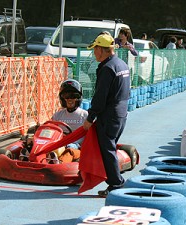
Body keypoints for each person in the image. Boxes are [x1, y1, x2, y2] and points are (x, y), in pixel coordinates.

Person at [84, 33, 130, 197]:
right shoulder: (121, 64)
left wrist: (90, 117)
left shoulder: (107, 68)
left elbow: (100, 96)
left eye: (95, 50)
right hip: (121, 112)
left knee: (107, 150)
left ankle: (116, 183)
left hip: (109, 115)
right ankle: (115, 179)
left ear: (101, 50)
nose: (94, 53)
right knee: (110, 147)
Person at [19, 79, 88, 164]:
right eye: (66, 96)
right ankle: (29, 155)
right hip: (58, 143)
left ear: (78, 98)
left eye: (73, 96)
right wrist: (36, 135)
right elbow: (49, 129)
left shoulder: (85, 116)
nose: (70, 99)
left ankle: (59, 163)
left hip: (75, 146)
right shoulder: (58, 115)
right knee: (38, 143)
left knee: (69, 150)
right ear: (62, 98)